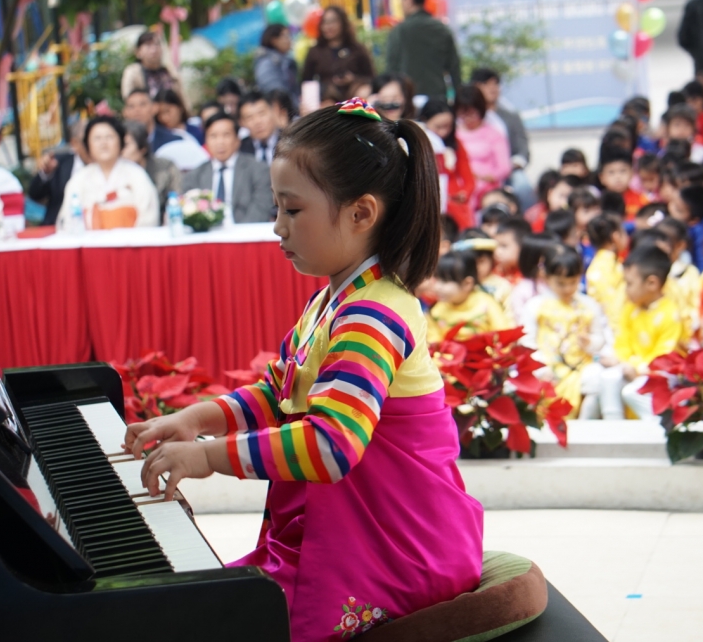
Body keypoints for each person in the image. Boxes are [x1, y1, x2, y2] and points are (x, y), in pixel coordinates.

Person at [123, 100, 483, 641]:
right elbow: (279, 393)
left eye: (292, 211)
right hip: (350, 534)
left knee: (212, 620)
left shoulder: (372, 316)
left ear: (361, 214)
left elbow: (332, 446)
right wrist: (197, 417)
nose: (277, 227)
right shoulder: (337, 299)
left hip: (398, 548)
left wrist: (206, 457)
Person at [520, 247, 610, 418]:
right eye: (561, 283)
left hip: (581, 368)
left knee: (596, 380)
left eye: (573, 282)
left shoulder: (588, 305)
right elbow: (527, 342)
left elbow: (600, 338)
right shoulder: (535, 306)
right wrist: (541, 367)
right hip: (547, 367)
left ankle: (584, 426)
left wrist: (590, 342)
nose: (567, 288)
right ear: (546, 277)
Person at [600, 245, 685, 420]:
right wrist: (626, 364)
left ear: (652, 283)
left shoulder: (671, 314)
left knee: (632, 392)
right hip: (631, 369)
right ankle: (614, 431)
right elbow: (622, 345)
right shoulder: (630, 308)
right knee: (608, 379)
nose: (625, 289)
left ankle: (660, 431)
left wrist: (636, 368)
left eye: (629, 283)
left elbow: (664, 358)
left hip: (660, 376)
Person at [55, 117, 159, 230]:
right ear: (88, 145)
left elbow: (149, 218)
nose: (103, 143)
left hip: (130, 244)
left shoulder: (137, 175)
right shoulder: (79, 178)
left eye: (109, 137)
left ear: (120, 141)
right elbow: (66, 221)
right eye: (97, 138)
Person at [181, 112, 273, 223]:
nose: (220, 142)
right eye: (213, 136)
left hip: (245, 234)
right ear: (206, 141)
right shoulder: (194, 176)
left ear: (237, 140)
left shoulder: (258, 170)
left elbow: (261, 208)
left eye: (226, 135)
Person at [385, 0, 461, 101]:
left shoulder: (399, 31)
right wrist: (458, 100)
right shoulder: (441, 29)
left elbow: (391, 69)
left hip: (408, 100)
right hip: (437, 99)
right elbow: (454, 69)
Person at [470, 68, 534, 209]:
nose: (493, 88)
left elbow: (522, 148)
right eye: (486, 84)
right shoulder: (469, 117)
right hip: (477, 172)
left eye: (496, 84)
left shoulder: (510, 116)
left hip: (509, 171)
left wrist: (508, 166)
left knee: (523, 186)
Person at [427, 250, 512, 342]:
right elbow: (434, 343)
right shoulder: (435, 310)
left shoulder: (486, 303)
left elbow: (503, 335)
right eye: (437, 279)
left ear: (467, 283)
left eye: (445, 281)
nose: (437, 287)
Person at [420, 99, 475, 231]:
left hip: (454, 199)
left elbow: (468, 177)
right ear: (424, 122)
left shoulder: (456, 143)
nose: (444, 131)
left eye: (448, 126)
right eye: (438, 127)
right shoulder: (419, 144)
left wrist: (464, 192)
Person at [455, 85, 511, 209]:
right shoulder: (453, 135)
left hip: (487, 187)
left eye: (472, 113)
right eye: (463, 113)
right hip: (462, 188)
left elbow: (504, 167)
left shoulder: (493, 133)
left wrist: (483, 176)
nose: (468, 118)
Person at [301, 6, 375, 99]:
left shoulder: (357, 49)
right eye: (325, 22)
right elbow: (307, 81)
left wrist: (353, 79)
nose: (328, 26)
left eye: (333, 21)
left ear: (343, 23)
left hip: (355, 95)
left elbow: (371, 77)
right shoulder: (315, 51)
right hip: (327, 98)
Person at [28, 118, 91, 226]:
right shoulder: (58, 162)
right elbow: (34, 195)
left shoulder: (109, 165)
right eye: (86, 142)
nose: (93, 146)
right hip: (57, 227)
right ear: (74, 144)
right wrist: (46, 173)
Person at [122, 119, 182, 216]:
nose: (120, 151)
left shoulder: (166, 168)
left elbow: (178, 198)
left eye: (125, 145)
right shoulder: (115, 172)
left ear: (142, 148)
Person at [585, 213, 627, 325]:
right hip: (611, 329)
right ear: (616, 236)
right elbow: (612, 306)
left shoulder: (611, 262)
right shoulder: (603, 267)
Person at [120, 31, 178, 101]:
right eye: (148, 45)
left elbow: (182, 98)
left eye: (157, 44)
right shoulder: (132, 72)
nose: (154, 49)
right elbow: (128, 100)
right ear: (138, 52)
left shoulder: (169, 71)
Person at [123, 88, 181, 153]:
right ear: (124, 112)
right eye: (131, 106)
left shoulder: (173, 141)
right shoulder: (120, 145)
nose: (137, 110)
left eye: (142, 104)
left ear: (154, 108)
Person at [254, 24, 299, 105]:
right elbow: (275, 93)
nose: (290, 40)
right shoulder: (267, 64)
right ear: (274, 40)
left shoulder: (284, 61)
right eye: (286, 36)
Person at [599, 147, 646, 221]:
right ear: (602, 178)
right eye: (611, 172)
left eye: (623, 171)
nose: (618, 177)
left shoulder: (643, 200)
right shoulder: (598, 202)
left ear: (632, 173)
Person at [238, 92, 281, 164]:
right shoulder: (240, 150)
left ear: (273, 111)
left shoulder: (291, 142)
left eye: (262, 114)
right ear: (241, 122)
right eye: (249, 117)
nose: (257, 122)